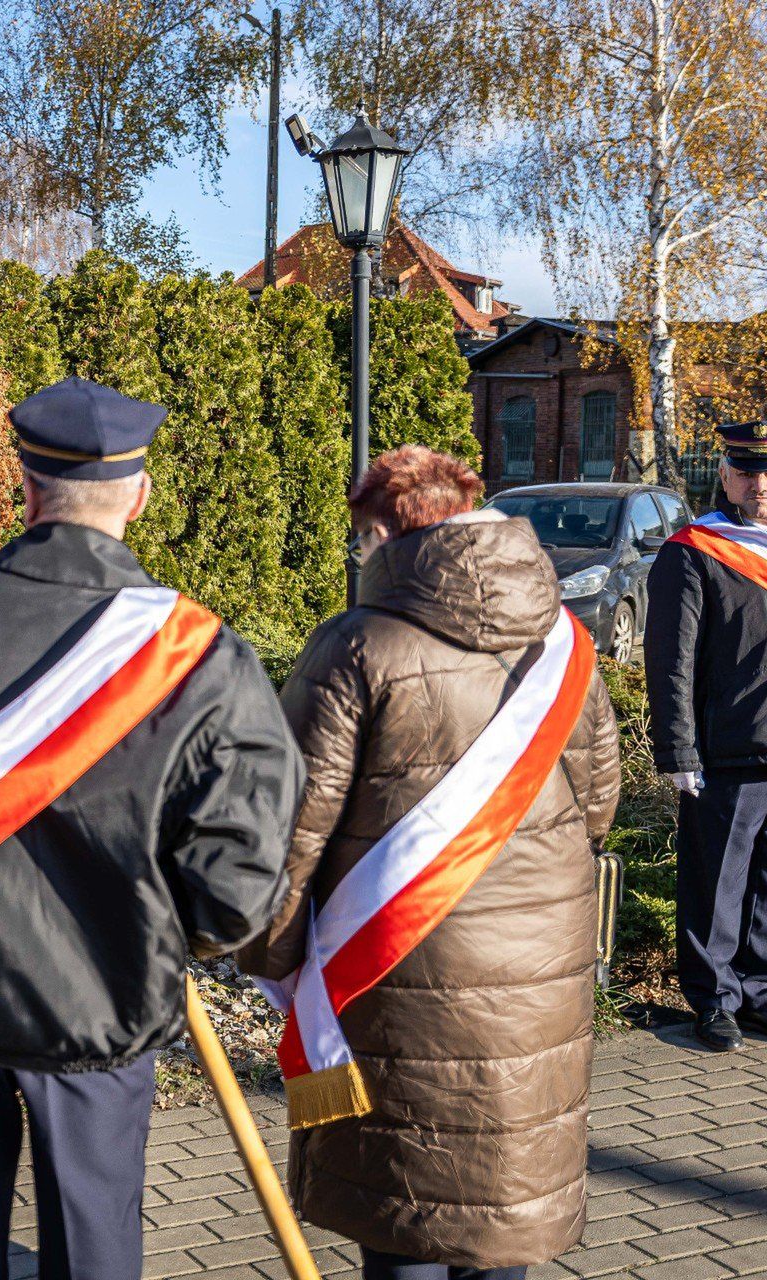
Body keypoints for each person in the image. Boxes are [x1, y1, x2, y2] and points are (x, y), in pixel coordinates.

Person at [0, 377, 301, 1280]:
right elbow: (244, 876)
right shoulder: (201, 653)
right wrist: (163, 933)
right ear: (139, 495)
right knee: (95, 1252)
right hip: (105, 1002)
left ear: (25, 489)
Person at [241, 445, 619, 1280]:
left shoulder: (356, 646)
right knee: (501, 1218)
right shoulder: (569, 646)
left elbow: (288, 830)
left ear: (385, 532)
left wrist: (269, 960)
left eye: (362, 539)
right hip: (536, 984)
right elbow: (598, 807)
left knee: (405, 1217)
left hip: (397, 978)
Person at [646, 421, 767, 1051]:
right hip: (726, 753)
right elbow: (671, 662)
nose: (760, 485)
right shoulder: (694, 550)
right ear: (723, 473)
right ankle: (713, 998)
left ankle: (757, 993)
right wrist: (677, 751)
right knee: (717, 882)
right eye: (748, 471)